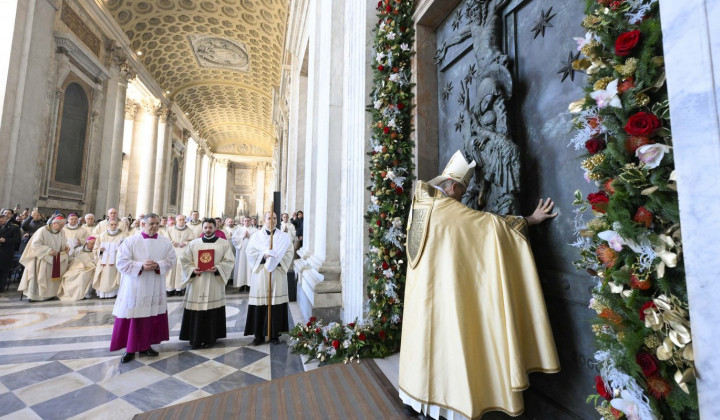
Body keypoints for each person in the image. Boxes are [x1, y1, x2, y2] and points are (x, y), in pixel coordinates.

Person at [398, 151, 560, 419]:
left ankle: (417, 401)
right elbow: (490, 227)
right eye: (462, 189)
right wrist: (530, 220)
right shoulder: (447, 209)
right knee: (445, 347)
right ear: (451, 185)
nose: (463, 195)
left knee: (426, 349)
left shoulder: (422, 205)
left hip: (424, 295)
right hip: (441, 294)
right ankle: (442, 406)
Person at [110, 213, 175, 363]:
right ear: (143, 224)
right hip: (135, 284)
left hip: (154, 283)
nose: (154, 226)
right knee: (133, 315)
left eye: (157, 224)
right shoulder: (131, 241)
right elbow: (120, 262)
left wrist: (158, 265)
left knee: (149, 316)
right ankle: (130, 348)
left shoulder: (165, 242)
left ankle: (145, 346)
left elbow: (172, 259)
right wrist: (141, 266)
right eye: (151, 223)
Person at [178, 218, 235, 349]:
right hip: (197, 280)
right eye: (206, 227)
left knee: (212, 309)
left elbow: (229, 261)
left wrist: (218, 268)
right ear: (202, 228)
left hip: (214, 280)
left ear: (215, 228)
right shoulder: (194, 243)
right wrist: (192, 269)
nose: (208, 230)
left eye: (210, 227)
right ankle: (195, 338)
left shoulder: (223, 244)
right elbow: (185, 260)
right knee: (197, 309)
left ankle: (211, 338)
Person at [244, 211, 295, 345]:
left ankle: (274, 335)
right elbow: (249, 252)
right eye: (269, 218)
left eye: (274, 218)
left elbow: (290, 252)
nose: (272, 220)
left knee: (276, 304)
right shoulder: (256, 236)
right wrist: (263, 256)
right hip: (261, 273)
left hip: (277, 273)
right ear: (263, 219)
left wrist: (278, 259)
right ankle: (258, 335)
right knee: (260, 304)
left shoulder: (283, 237)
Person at [18, 216, 69, 301]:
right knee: (41, 277)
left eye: (63, 225)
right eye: (61, 225)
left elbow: (63, 243)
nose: (62, 227)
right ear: (54, 224)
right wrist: (48, 250)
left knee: (52, 278)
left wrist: (65, 247)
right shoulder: (42, 230)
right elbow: (35, 245)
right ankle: (37, 296)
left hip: (55, 259)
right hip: (43, 258)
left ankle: (51, 294)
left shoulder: (62, 232)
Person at [92, 219, 125, 299]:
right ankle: (102, 294)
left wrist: (120, 248)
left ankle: (114, 293)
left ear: (117, 225)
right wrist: (100, 250)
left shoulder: (122, 235)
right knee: (104, 276)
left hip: (116, 259)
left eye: (115, 224)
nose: (113, 226)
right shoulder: (102, 235)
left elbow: (126, 248)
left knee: (113, 275)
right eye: (111, 224)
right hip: (103, 259)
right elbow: (95, 248)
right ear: (108, 226)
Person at [57, 236, 96, 301]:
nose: (94, 246)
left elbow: (96, 261)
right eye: (92, 244)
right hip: (75, 268)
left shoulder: (96, 251)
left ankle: (82, 293)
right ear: (87, 243)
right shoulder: (78, 250)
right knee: (67, 277)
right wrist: (78, 261)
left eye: (95, 244)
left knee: (82, 276)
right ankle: (69, 294)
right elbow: (70, 258)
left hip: (88, 268)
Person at [166, 214, 195, 297]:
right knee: (171, 270)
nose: (182, 221)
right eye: (180, 219)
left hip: (183, 252)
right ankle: (170, 289)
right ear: (176, 220)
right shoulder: (170, 229)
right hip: (172, 251)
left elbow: (192, 240)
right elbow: (166, 239)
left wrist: (185, 243)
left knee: (181, 270)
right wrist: (172, 242)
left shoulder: (189, 230)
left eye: (183, 219)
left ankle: (180, 289)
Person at [231, 216, 257, 291]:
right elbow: (234, 239)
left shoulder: (254, 230)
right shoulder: (239, 229)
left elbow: (258, 240)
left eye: (248, 221)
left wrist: (250, 236)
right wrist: (243, 236)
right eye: (245, 221)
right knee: (241, 266)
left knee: (250, 267)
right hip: (241, 251)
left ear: (251, 221)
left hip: (251, 252)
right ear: (243, 221)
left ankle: (249, 284)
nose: (246, 222)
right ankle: (241, 284)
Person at [0, 212, 21, 290]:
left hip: (6, 252)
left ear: (5, 220)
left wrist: (5, 240)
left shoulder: (13, 227)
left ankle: (1, 288)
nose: (0, 223)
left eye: (1, 221)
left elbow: (17, 239)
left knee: (3, 271)